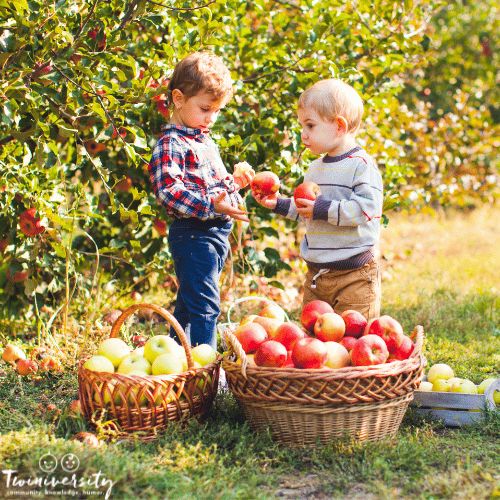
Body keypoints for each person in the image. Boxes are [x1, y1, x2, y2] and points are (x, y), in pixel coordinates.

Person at [148, 51, 254, 349]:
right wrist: (211, 205)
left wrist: (236, 183)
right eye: (206, 108)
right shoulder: (171, 143)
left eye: (217, 111)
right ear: (179, 98)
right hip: (194, 236)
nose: (211, 118)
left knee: (189, 300)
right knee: (206, 304)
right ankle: (205, 366)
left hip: (215, 235)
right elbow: (170, 191)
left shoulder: (203, 138)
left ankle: (175, 356)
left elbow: (215, 189)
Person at [253, 79, 383, 320]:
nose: (303, 134)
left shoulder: (361, 165)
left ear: (339, 126)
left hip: (354, 274)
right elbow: (309, 211)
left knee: (353, 339)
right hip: (317, 276)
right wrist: (279, 203)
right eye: (302, 125)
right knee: (313, 339)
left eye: (310, 125)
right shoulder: (314, 168)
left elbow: (366, 209)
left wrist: (321, 209)